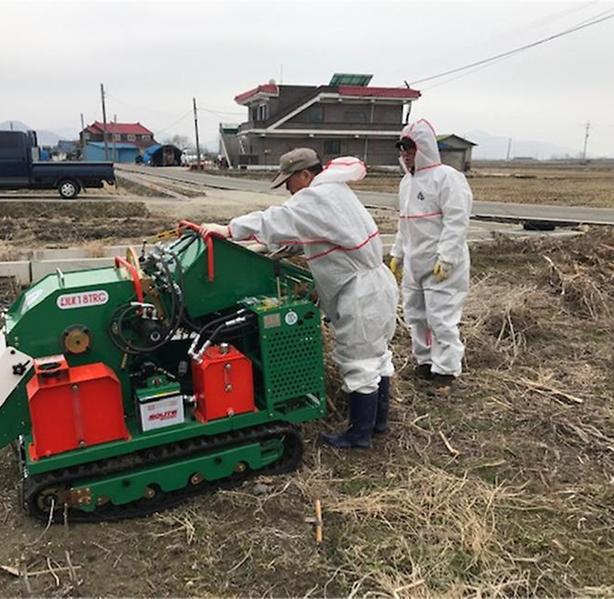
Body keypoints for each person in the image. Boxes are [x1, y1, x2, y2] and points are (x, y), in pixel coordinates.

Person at [201, 148, 398, 449]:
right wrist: (270, 249)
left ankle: (359, 436)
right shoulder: (335, 192)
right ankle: (378, 424)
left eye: (289, 182)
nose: (288, 190)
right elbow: (312, 233)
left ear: (305, 174)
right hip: (376, 285)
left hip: (360, 294)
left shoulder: (316, 197)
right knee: (377, 356)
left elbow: (275, 219)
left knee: (358, 361)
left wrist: (228, 230)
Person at [388, 119, 473, 395]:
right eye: (402, 150)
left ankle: (445, 372)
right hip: (415, 263)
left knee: (441, 318)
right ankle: (425, 362)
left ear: (423, 148)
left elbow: (456, 220)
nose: (406, 155)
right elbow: (405, 223)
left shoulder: (447, 178)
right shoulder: (407, 183)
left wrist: (446, 257)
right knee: (415, 314)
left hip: (440, 263)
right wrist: (398, 254)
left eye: (410, 149)